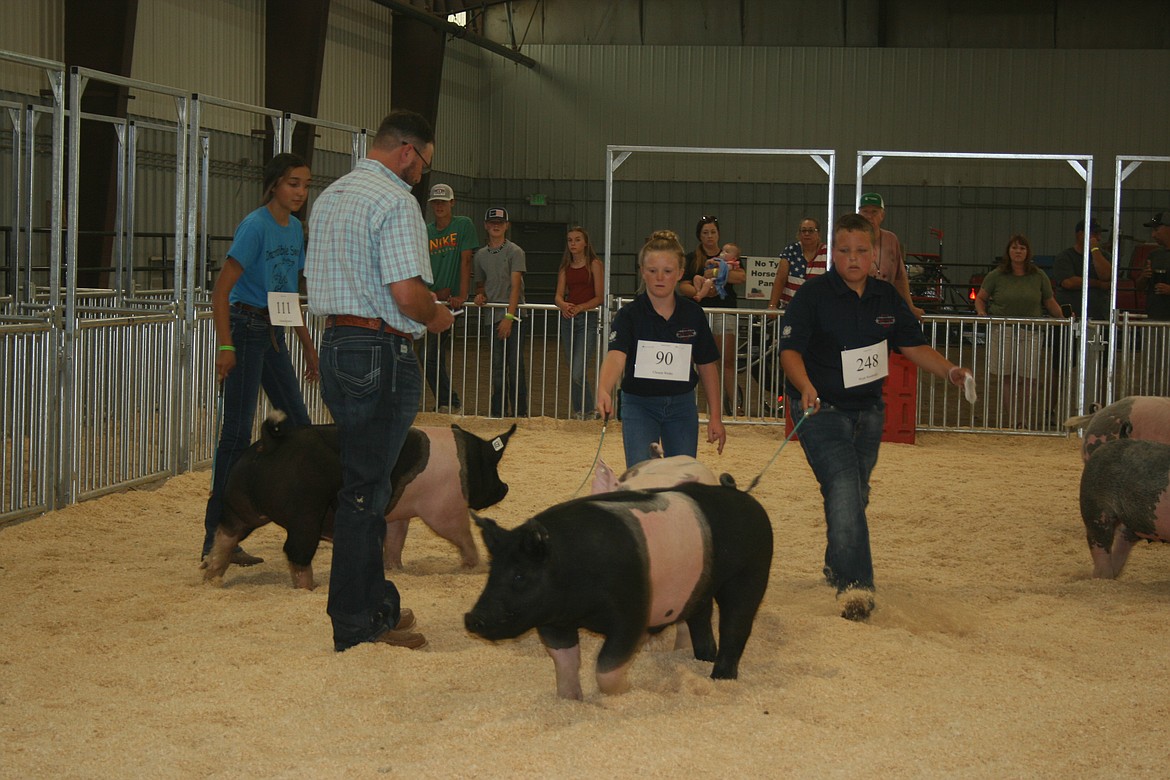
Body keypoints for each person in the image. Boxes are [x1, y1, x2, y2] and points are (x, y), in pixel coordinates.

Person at [306, 110, 454, 652]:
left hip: (339, 346)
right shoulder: (395, 202)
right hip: (379, 349)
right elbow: (408, 295)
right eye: (424, 164)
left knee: (364, 483)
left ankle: (374, 604)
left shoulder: (330, 197)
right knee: (367, 492)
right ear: (409, 151)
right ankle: (355, 620)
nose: (421, 176)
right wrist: (437, 316)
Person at [779, 213, 973, 622]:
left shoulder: (887, 298)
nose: (853, 258)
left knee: (854, 493)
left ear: (875, 255)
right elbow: (790, 352)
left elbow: (913, 346)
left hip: (868, 412)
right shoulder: (812, 296)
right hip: (819, 409)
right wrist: (806, 385)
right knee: (846, 487)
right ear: (833, 253)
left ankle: (836, 564)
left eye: (861, 251)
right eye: (845, 251)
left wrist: (951, 370)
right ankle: (855, 587)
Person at [201, 153, 318, 566]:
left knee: (300, 426)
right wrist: (225, 345)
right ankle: (216, 535)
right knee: (234, 433)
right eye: (293, 184)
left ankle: (303, 518)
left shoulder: (295, 229)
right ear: (274, 185)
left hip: (274, 333)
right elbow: (221, 291)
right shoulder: (255, 226)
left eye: (305, 184)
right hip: (246, 327)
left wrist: (307, 344)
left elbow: (287, 294)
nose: (300, 192)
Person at [596, 229, 727, 469]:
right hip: (639, 405)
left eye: (667, 271)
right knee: (641, 476)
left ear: (679, 273)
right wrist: (604, 388)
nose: (660, 277)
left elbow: (707, 365)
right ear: (643, 272)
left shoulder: (693, 314)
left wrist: (715, 417)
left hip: (683, 406)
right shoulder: (629, 315)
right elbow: (616, 356)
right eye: (653, 271)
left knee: (682, 478)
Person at [974, 234, 1065, 427]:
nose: (1018, 252)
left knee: (1029, 377)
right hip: (1003, 329)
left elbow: (1050, 301)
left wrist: (1064, 320)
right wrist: (981, 313)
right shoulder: (996, 275)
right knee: (1007, 376)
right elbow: (981, 297)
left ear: (1027, 252)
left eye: (1022, 248)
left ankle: (1023, 418)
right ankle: (1014, 419)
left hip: (1031, 330)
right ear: (1008, 251)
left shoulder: (1039, 275)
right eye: (1015, 248)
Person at [678, 216, 745, 416]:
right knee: (692, 360)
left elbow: (741, 276)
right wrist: (702, 292)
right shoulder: (691, 258)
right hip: (697, 313)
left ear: (718, 234)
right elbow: (683, 286)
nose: (709, 236)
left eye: (713, 232)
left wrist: (714, 273)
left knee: (727, 361)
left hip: (724, 312)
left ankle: (735, 407)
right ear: (699, 235)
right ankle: (687, 406)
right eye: (705, 232)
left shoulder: (730, 256)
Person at [422, 182, 477, 412]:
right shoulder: (426, 230)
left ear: (452, 203)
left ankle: (448, 401)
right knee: (429, 355)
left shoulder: (463, 225)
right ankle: (447, 400)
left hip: (449, 302)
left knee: (430, 354)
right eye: (435, 202)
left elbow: (466, 260)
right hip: (431, 299)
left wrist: (461, 293)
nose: (439, 206)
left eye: (443, 201)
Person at [473, 207, 527, 418]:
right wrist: (480, 296)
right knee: (497, 366)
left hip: (512, 316)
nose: (496, 225)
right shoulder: (480, 255)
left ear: (507, 226)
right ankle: (498, 413)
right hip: (492, 317)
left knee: (515, 366)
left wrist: (509, 317)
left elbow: (516, 287)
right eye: (492, 222)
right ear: (486, 225)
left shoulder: (515, 252)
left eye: (500, 222)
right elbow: (480, 284)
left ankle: (519, 413)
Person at [553, 226, 604, 419]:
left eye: (577, 240)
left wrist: (581, 307)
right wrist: (563, 304)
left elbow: (599, 296)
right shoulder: (565, 267)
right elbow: (558, 295)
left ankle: (587, 409)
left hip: (587, 318)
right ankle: (581, 410)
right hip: (569, 318)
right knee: (574, 367)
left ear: (585, 243)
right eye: (570, 240)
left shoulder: (595, 264)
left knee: (577, 370)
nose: (573, 243)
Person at [858, 192, 924, 319]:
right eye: (865, 211)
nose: (869, 216)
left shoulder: (891, 239)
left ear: (882, 215)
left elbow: (900, 277)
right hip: (858, 305)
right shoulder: (852, 239)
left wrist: (910, 306)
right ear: (859, 214)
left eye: (874, 212)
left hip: (885, 307)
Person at [1051, 218, 1112, 321]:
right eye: (1095, 233)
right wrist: (1099, 284)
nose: (1099, 238)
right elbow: (1069, 282)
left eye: (1099, 234)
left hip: (1099, 317)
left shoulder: (1105, 256)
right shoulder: (1065, 256)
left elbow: (1107, 276)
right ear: (1080, 234)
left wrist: (1095, 250)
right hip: (1071, 317)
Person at [766, 217, 828, 310]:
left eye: (811, 230)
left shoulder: (827, 252)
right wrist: (772, 305)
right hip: (791, 308)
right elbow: (780, 278)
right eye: (803, 230)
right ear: (799, 234)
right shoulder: (791, 250)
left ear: (818, 233)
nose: (807, 234)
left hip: (818, 310)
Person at [1137, 212, 1170, 321]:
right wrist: (1144, 276)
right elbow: (1139, 287)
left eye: (1156, 230)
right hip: (1153, 318)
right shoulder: (1154, 255)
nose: (1153, 235)